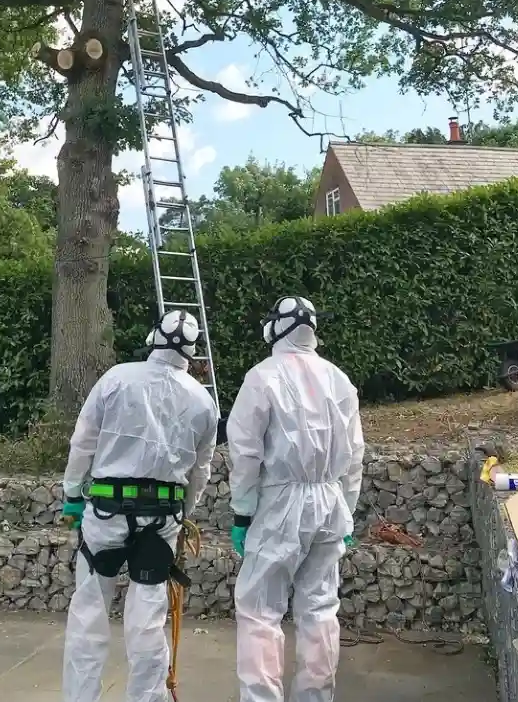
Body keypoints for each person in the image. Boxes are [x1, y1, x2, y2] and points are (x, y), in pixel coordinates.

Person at [61, 308, 219, 702]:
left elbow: (83, 441)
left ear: (153, 338)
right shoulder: (203, 400)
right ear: (192, 352)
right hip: (161, 519)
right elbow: (200, 470)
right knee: (147, 622)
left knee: (88, 615)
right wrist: (185, 513)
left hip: (106, 513)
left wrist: (72, 494)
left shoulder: (117, 379)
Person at [227, 296, 365, 702]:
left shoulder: (262, 377)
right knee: (320, 609)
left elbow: (246, 452)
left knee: (260, 611)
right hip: (330, 502)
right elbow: (354, 455)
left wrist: (242, 512)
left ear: (276, 328)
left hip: (280, 504)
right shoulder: (339, 379)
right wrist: (348, 512)